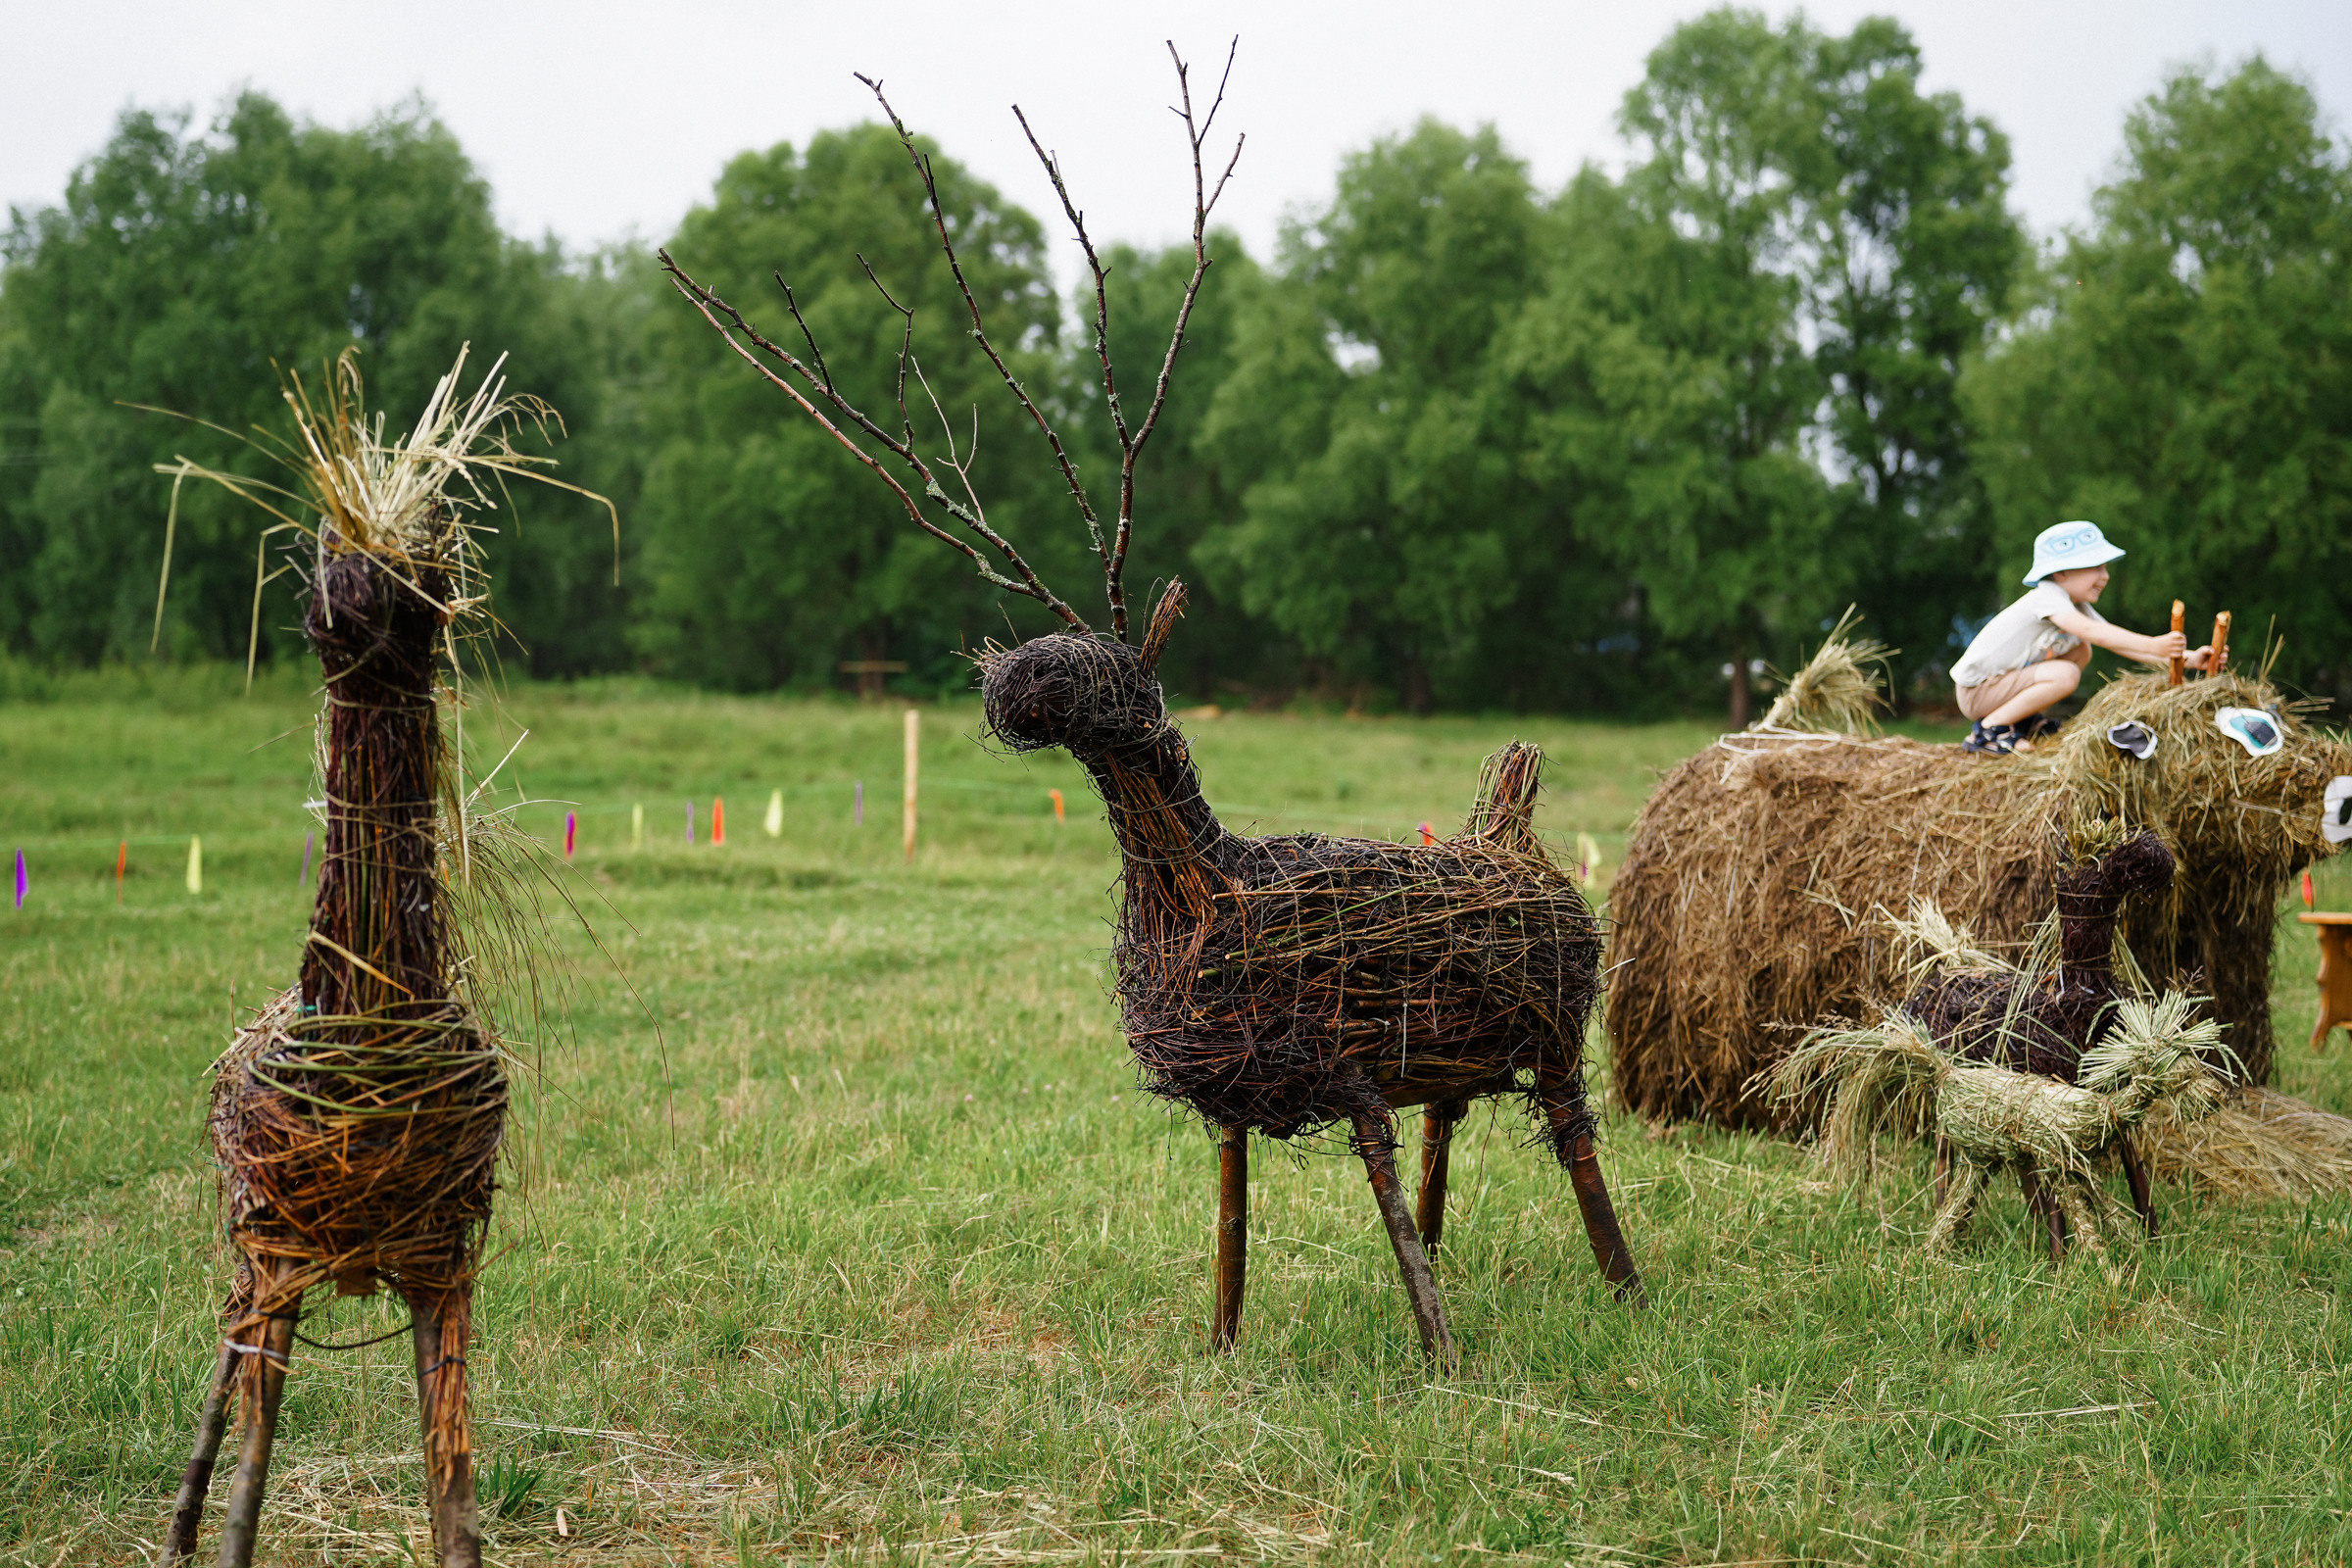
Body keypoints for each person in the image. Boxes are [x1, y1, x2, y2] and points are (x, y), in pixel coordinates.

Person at [1950, 520, 2208, 755]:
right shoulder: (2047, 596)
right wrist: (2153, 643)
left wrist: (2189, 659)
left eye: (2105, 568)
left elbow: (2123, 646)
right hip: (1978, 691)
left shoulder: (2077, 605)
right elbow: (2096, 633)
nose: (2105, 576)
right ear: (2061, 572)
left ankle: (2023, 721)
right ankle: (1988, 730)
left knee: (2081, 650)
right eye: (2096, 567)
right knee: (2066, 673)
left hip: (2001, 687)